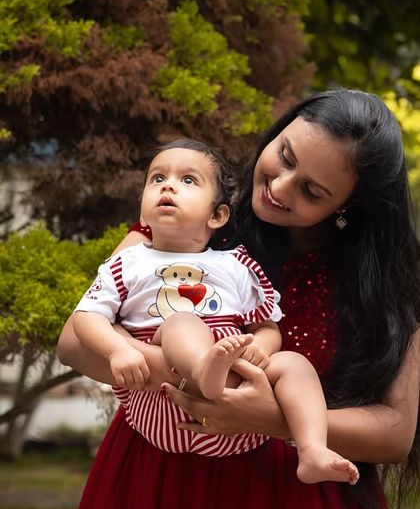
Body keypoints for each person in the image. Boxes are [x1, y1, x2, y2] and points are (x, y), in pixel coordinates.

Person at [57, 89, 420, 509]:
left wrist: (268, 418)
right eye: (284, 155)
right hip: (160, 472)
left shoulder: (392, 282)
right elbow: (73, 343)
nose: (279, 187)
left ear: (348, 205)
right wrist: (199, 378)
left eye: (311, 190)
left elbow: (396, 434)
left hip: (293, 492)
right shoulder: (184, 223)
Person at [73, 139, 359, 483]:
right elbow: (86, 316)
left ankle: (312, 449)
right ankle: (206, 372)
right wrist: (117, 349)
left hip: (241, 417)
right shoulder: (127, 263)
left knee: (293, 364)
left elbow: (266, 325)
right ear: (142, 206)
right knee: (182, 323)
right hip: (164, 406)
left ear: (217, 215)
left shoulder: (235, 264)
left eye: (188, 180)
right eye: (157, 178)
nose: (169, 185)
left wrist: (262, 348)